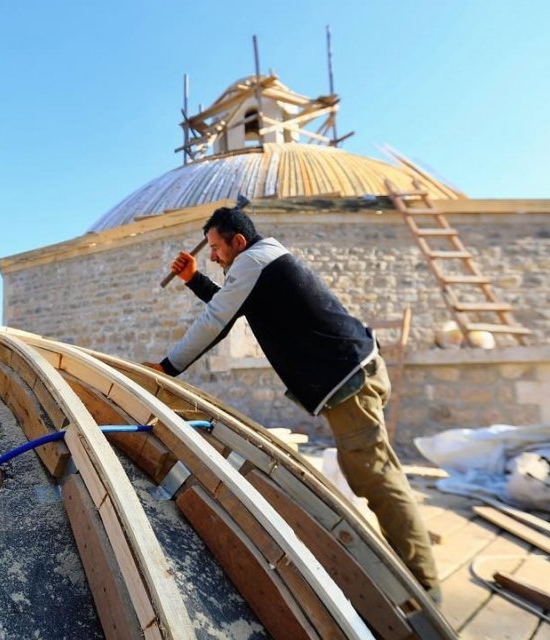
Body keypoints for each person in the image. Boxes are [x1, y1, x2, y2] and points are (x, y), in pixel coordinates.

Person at [145, 199, 439, 597]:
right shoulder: (262, 261)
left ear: (238, 241)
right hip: (356, 370)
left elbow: (217, 320)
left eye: (215, 248)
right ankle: (412, 566)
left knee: (375, 478)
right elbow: (232, 305)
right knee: (374, 471)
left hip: (348, 379)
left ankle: (423, 587)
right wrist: (195, 279)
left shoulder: (251, 263)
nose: (212, 257)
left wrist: (167, 368)